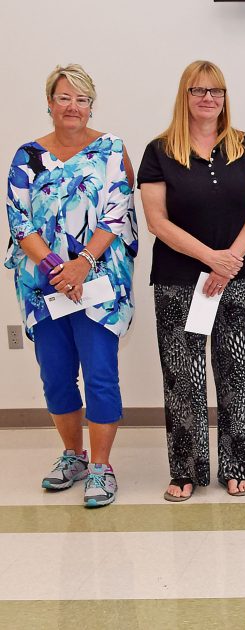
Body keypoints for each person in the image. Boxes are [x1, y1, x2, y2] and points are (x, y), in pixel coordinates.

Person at [5, 64, 138, 508]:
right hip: (44, 286)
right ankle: (73, 455)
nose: (73, 107)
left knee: (101, 373)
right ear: (49, 103)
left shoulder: (112, 149)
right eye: (64, 98)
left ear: (91, 105)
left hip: (98, 283)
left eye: (82, 100)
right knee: (56, 376)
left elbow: (117, 211)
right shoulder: (27, 155)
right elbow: (19, 220)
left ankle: (101, 465)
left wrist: (82, 264)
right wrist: (58, 268)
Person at [139, 60, 245, 500]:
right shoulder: (159, 151)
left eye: (217, 91)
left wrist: (229, 260)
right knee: (183, 376)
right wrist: (210, 258)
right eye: (199, 91)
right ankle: (186, 469)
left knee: (240, 372)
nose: (209, 98)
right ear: (185, 96)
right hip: (179, 279)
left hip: (238, 275)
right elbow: (157, 220)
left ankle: (241, 462)